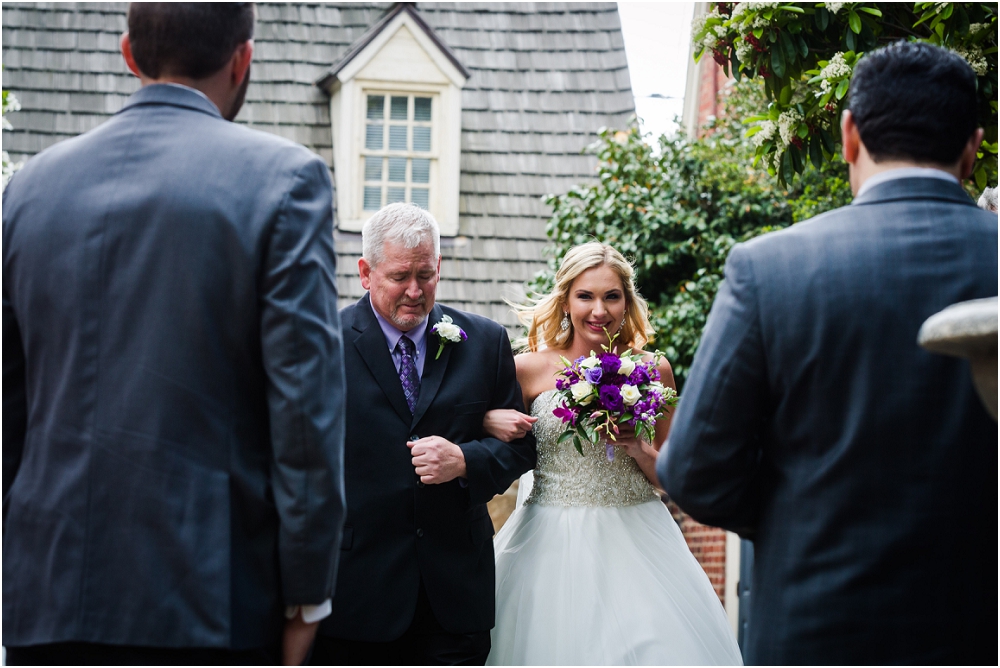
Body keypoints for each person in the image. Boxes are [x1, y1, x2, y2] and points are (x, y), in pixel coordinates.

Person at [2, 4, 346, 665]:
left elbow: (7, 410)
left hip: (46, 598)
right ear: (243, 59)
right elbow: (304, 411)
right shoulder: (285, 181)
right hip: (209, 599)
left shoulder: (27, 190)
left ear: (130, 54)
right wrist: (307, 594)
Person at [658, 41, 997, 665]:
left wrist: (808, 517)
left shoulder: (771, 268)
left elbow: (694, 472)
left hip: (822, 625)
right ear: (973, 147)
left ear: (849, 135)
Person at [481, 242, 742, 665]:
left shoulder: (654, 370)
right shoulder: (527, 369)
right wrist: (489, 419)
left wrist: (639, 449)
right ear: (566, 300)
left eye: (611, 296)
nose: (598, 310)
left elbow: (671, 475)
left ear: (627, 302)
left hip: (639, 541)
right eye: (585, 296)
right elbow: (489, 440)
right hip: (547, 544)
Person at [309, 203, 536, 666]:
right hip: (354, 596)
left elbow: (521, 448)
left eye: (426, 275)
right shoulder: (320, 346)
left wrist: (465, 461)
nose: (415, 291)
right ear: (365, 273)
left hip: (454, 601)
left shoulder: (484, 342)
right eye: (400, 276)